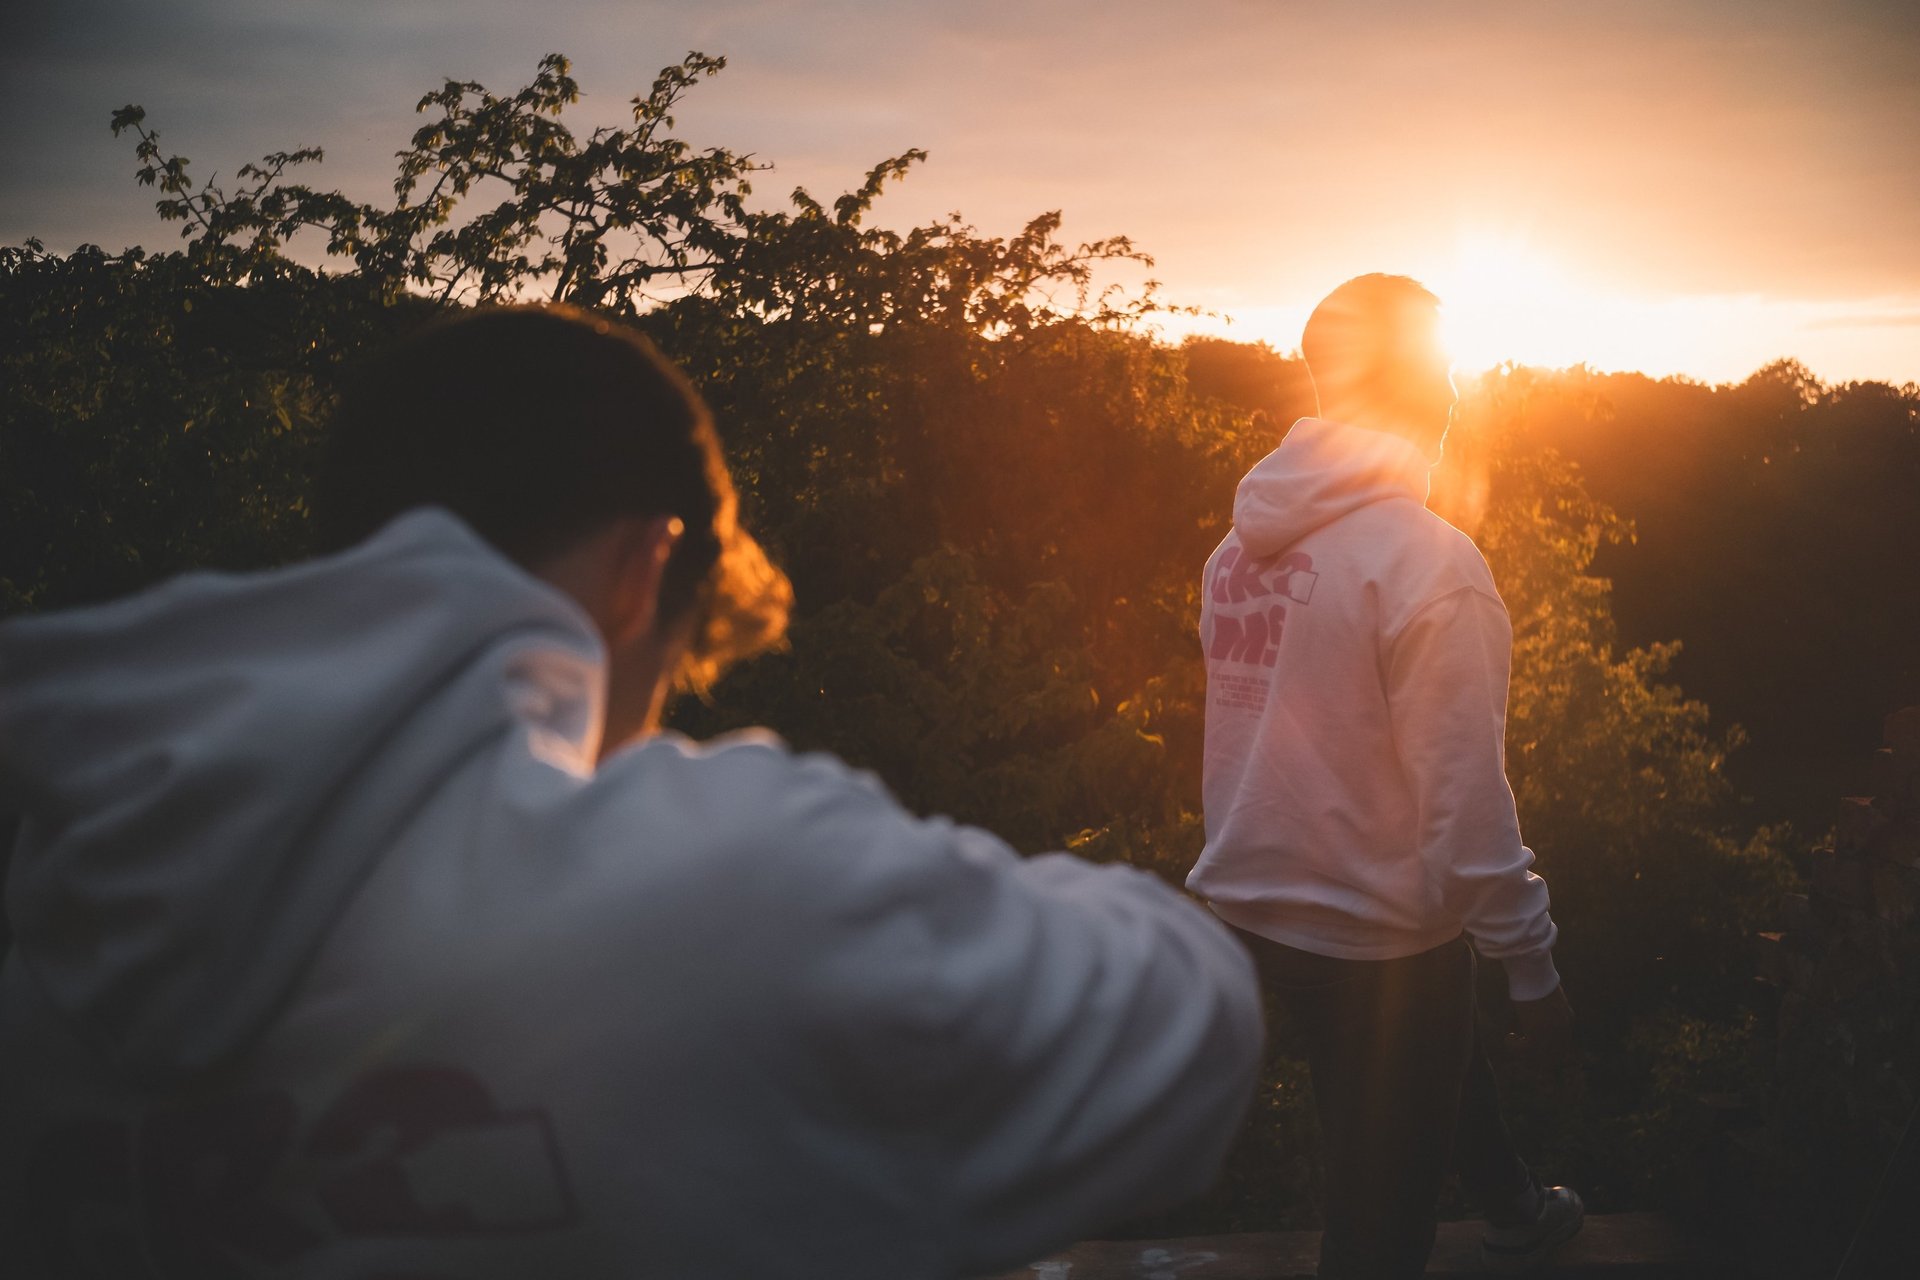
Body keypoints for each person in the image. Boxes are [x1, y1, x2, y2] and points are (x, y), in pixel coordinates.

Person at [0, 304, 1263, 1279]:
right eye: (675, 653)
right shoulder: (723, 884)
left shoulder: (46, 826)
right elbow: (1191, 1025)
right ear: (639, 568)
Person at [1187, 274, 1583, 1278]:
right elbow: (1463, 809)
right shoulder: (1430, 565)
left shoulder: (1236, 548)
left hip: (1239, 913)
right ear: (1430, 393)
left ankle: (1515, 1205)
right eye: (1443, 371)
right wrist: (1532, 968)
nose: (1456, 395)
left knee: (1435, 1038)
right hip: (1372, 944)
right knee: (1376, 1236)